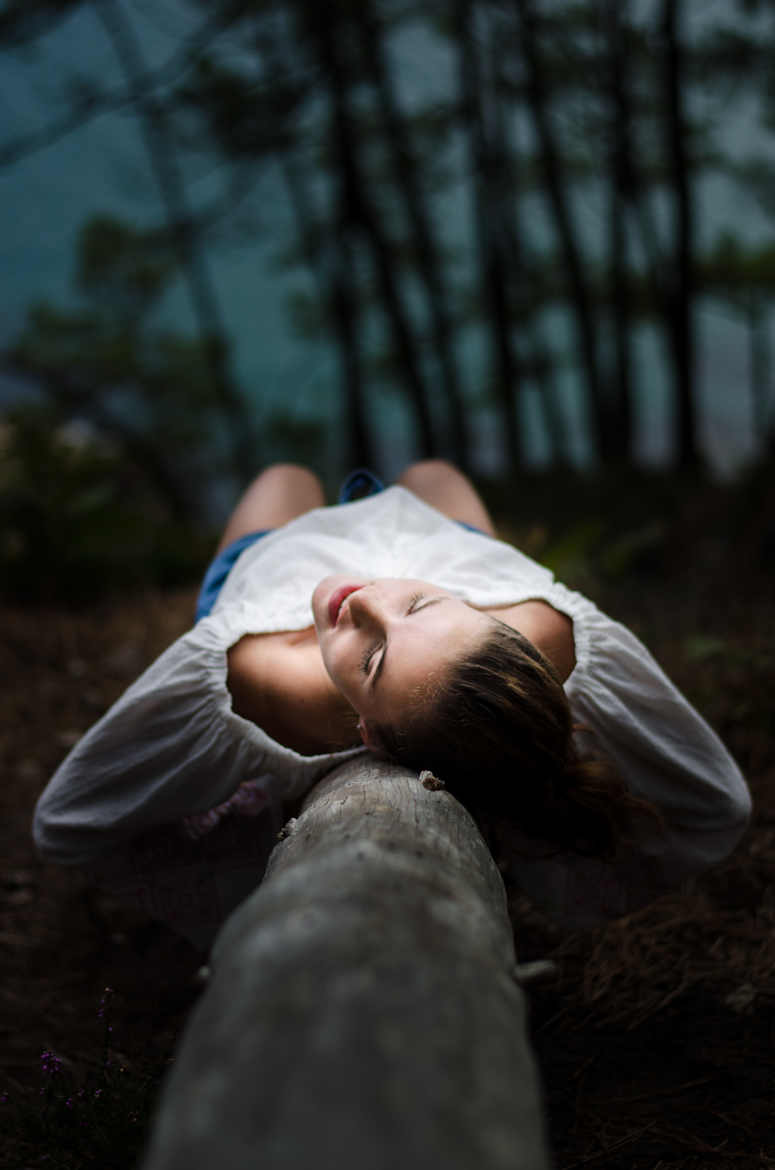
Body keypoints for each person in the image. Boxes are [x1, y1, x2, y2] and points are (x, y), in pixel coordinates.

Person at [33, 461, 751, 950]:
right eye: (416, 603)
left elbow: (68, 822)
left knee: (284, 476)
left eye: (372, 659)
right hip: (455, 549)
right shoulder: (547, 632)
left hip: (276, 559)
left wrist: (228, 889)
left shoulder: (254, 678)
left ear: (369, 736)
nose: (365, 597)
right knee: (432, 474)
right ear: (481, 613)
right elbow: (721, 803)